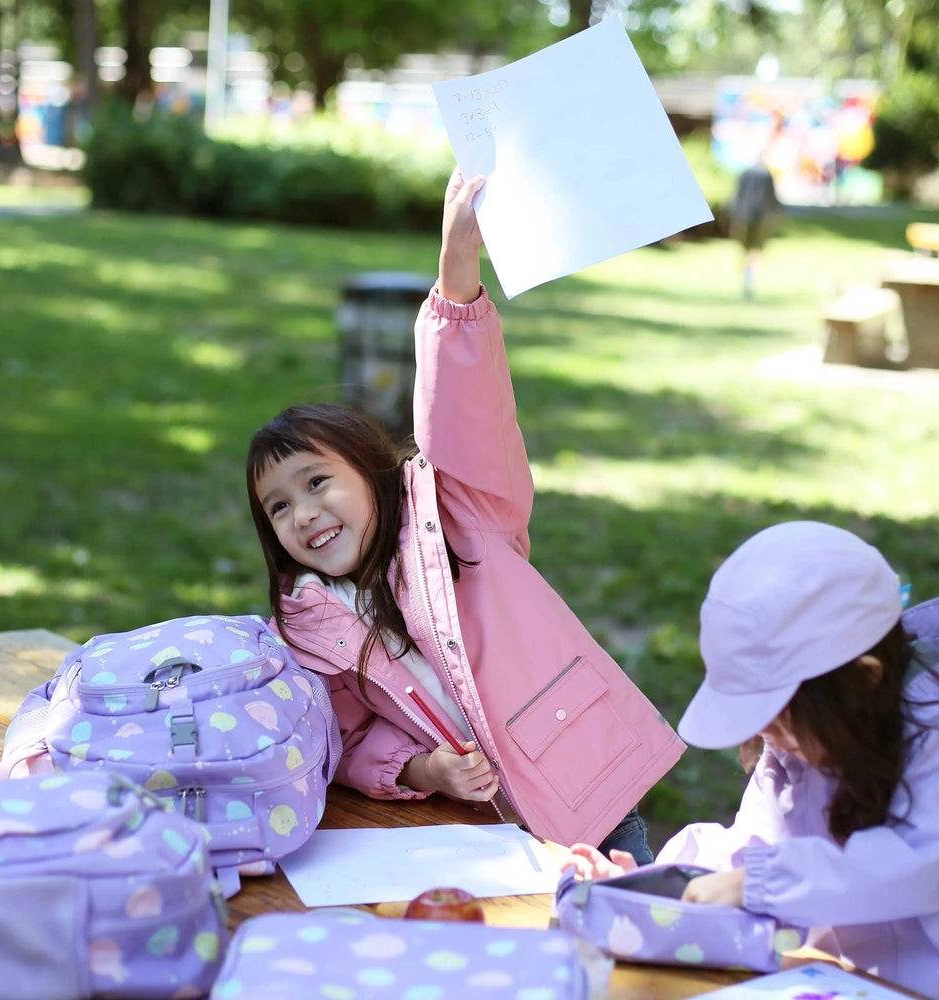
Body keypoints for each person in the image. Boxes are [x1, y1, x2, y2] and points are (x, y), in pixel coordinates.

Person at [245, 169, 685, 862]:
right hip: (478, 835)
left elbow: (466, 411)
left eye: (317, 482)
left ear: (372, 471)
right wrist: (423, 772)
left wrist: (456, 279)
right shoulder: (311, 622)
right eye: (278, 505)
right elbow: (348, 740)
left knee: (623, 949)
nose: (303, 513)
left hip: (588, 801)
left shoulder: (460, 512)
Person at [563, 521, 939, 999]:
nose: (768, 735)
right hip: (838, 981)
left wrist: (757, 882)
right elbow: (750, 852)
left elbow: (913, 868)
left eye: (781, 717)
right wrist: (654, 892)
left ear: (864, 681)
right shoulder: (800, 745)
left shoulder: (929, 740)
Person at [728, 158, 781, 299]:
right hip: (759, 216)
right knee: (754, 250)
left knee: (748, 250)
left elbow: (737, 196)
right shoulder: (765, 174)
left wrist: (734, 215)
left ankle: (747, 279)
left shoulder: (746, 173)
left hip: (745, 215)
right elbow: (772, 197)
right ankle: (749, 279)